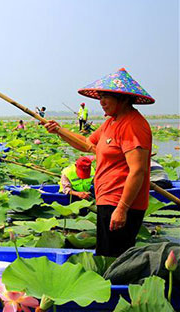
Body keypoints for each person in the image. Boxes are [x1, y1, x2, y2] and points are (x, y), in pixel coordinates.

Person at [43, 68, 154, 258]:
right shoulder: (111, 122)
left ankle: (119, 288)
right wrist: (59, 131)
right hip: (106, 199)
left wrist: (122, 209)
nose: (101, 102)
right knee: (105, 254)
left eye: (106, 97)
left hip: (121, 202)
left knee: (114, 257)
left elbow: (138, 171)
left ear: (124, 98)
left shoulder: (133, 125)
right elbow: (87, 144)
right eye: (100, 97)